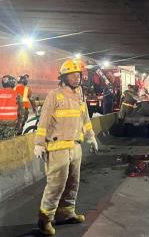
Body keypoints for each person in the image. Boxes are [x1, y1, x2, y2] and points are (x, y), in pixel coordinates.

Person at [34, 59, 99, 235]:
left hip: (75, 147)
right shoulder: (54, 95)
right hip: (57, 148)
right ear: (64, 77)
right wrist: (39, 144)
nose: (76, 78)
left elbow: (85, 119)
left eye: (78, 75)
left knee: (73, 183)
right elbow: (44, 121)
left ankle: (66, 213)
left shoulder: (80, 95)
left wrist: (91, 137)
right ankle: (45, 219)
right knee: (56, 185)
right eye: (72, 75)